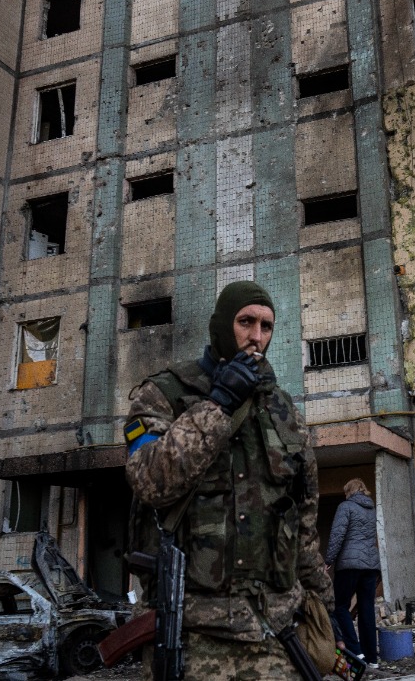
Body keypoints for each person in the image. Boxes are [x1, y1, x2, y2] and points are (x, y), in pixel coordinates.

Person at [123, 280, 334, 679]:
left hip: (277, 635)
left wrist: (327, 610)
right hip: (193, 635)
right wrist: (218, 405)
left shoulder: (283, 410)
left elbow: (304, 527)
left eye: (266, 326)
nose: (256, 337)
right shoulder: (163, 394)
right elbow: (149, 480)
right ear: (221, 326)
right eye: (246, 322)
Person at [324, 478, 381, 668]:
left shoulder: (345, 506)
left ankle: (356, 653)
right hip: (370, 566)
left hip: (349, 565)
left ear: (349, 491)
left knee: (340, 606)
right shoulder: (371, 509)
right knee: (366, 610)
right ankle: (372, 659)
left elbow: (337, 534)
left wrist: (328, 560)